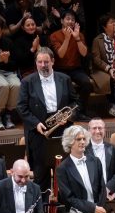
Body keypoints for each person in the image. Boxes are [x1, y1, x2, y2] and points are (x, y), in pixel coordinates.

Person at [17, 47, 75, 183]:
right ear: (36, 63)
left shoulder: (64, 79)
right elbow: (21, 107)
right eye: (40, 62)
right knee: (41, 176)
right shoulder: (27, 82)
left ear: (53, 61)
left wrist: (67, 117)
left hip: (62, 130)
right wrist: (35, 123)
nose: (43, 65)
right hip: (39, 132)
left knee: (63, 175)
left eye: (46, 62)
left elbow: (75, 102)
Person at [55, 124, 112, 213]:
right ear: (70, 142)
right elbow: (69, 199)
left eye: (84, 139)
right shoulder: (62, 168)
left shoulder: (95, 161)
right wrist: (93, 208)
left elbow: (102, 190)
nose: (82, 142)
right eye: (78, 139)